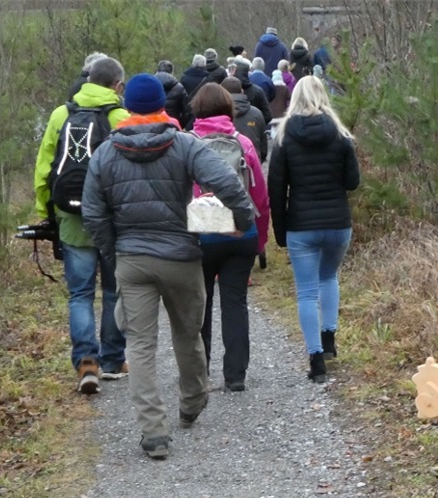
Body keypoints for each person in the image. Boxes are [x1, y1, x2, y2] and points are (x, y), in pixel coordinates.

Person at [81, 74, 255, 460]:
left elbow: (93, 213)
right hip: (180, 256)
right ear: (163, 105)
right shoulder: (183, 144)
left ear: (128, 107)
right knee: (188, 333)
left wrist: (116, 253)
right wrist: (244, 219)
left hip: (132, 259)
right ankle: (192, 402)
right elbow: (226, 181)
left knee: (140, 346)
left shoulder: (106, 153)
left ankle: (153, 432)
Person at [34, 55, 130, 393]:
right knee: (114, 291)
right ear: (117, 85)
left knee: (79, 294)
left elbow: (44, 167)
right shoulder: (122, 118)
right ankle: (113, 359)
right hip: (113, 222)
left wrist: (48, 211)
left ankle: (86, 363)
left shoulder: (61, 115)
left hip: (72, 218)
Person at [267, 75, 360, 384]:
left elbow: (277, 191)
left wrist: (280, 234)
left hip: (302, 225)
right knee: (329, 276)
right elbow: (352, 182)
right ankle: (330, 337)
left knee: (306, 293)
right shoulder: (340, 135)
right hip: (337, 223)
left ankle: (316, 359)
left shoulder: (283, 137)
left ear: (295, 98)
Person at [188, 83, 270, 394]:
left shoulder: (187, 143)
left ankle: (201, 373)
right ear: (228, 109)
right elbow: (260, 198)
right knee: (235, 303)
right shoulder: (244, 143)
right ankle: (235, 376)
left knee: (201, 304)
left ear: (197, 109)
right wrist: (259, 238)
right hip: (240, 232)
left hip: (202, 231)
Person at [221, 76, 268, 162]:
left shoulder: (216, 114)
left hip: (224, 165)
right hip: (251, 163)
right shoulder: (256, 113)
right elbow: (263, 148)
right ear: (242, 91)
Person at [231, 59, 272, 125]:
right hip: (253, 131)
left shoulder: (226, 90)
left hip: (231, 132)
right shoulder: (258, 91)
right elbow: (267, 116)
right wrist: (255, 125)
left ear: (234, 71)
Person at [155, 60, 191, 130]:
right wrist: (181, 124)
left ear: (157, 71)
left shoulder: (149, 85)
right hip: (173, 126)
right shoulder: (179, 88)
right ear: (172, 72)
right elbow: (187, 112)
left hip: (152, 125)